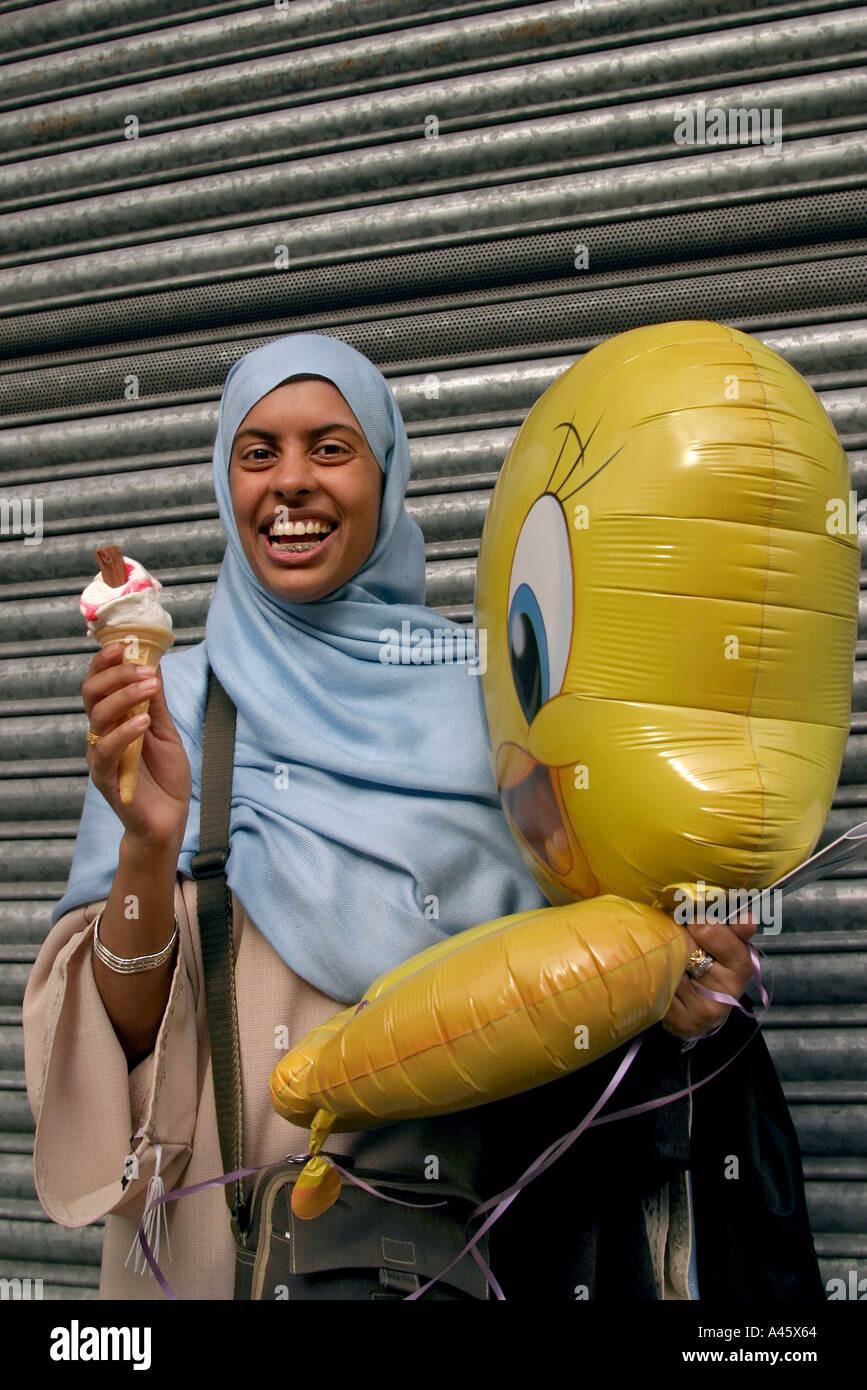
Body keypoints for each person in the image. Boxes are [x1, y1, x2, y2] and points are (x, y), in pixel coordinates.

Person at [23, 333, 822, 1301]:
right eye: (257, 452)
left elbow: (578, 986)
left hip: (453, 1263)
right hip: (208, 1260)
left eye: (330, 447)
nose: (291, 484)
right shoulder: (169, 712)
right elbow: (115, 1055)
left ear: (386, 470)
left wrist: (685, 984)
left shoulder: (496, 704)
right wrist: (149, 852)